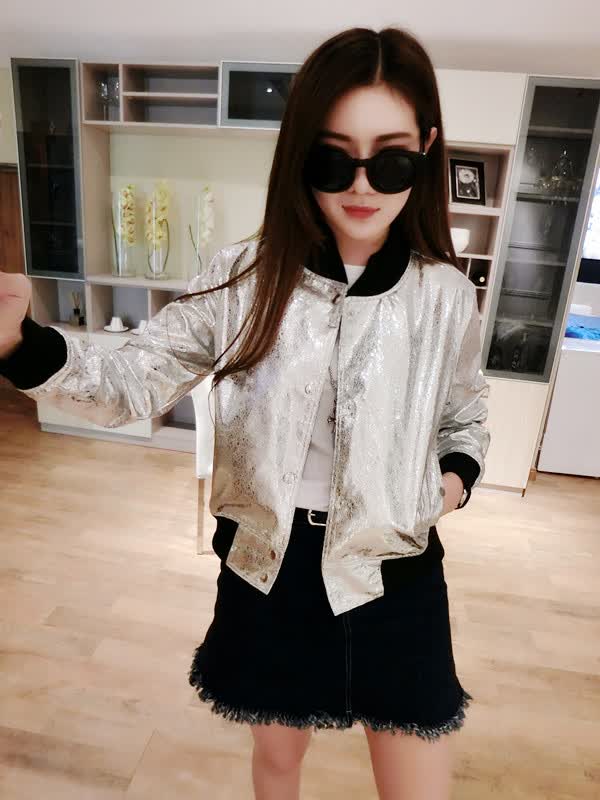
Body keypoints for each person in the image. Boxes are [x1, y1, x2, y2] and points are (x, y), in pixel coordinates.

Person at [0, 26, 490, 800]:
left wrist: (450, 486)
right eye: (334, 158)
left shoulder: (447, 297)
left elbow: (464, 414)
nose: (362, 185)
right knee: (277, 761)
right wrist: (21, 344)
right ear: (300, 151)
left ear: (426, 149)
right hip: (270, 569)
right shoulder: (242, 280)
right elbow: (134, 377)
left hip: (396, 574)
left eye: (391, 159)